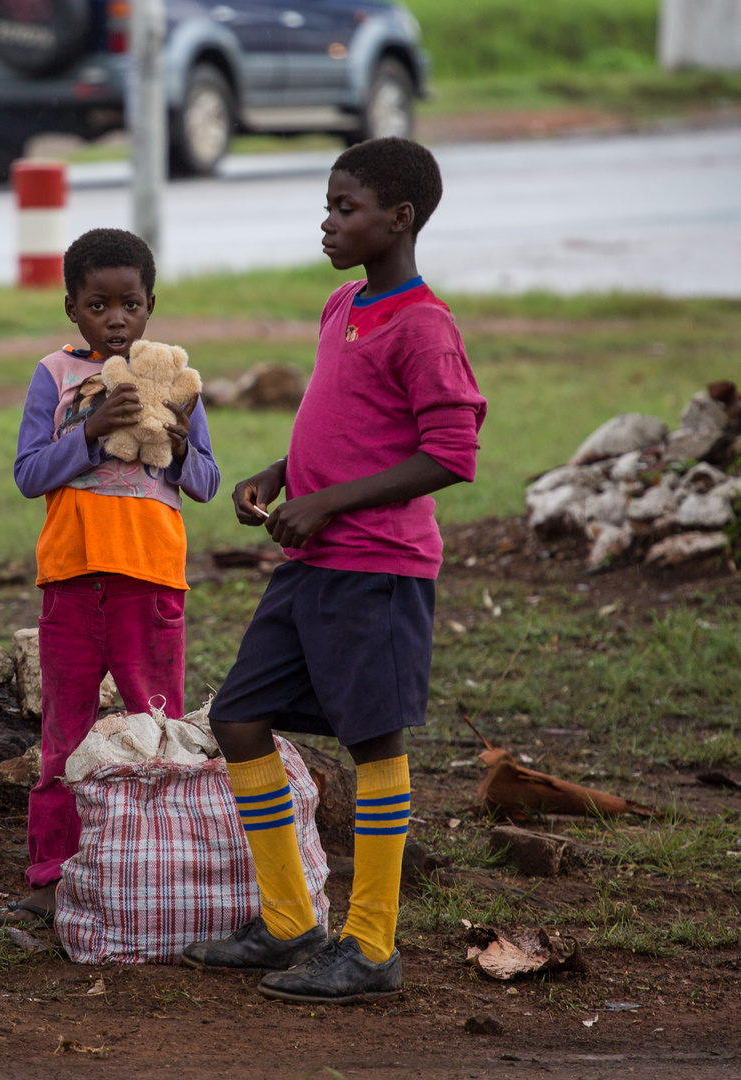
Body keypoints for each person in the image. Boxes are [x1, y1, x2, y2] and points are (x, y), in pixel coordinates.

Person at [184, 138, 485, 1003]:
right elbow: (342, 419)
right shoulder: (342, 305)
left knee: (373, 740)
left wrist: (333, 502)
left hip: (377, 568)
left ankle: (374, 945)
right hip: (313, 563)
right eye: (326, 204)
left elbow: (450, 454)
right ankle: (288, 923)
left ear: (399, 219)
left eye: (344, 208)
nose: (328, 221)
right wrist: (280, 476)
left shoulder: (426, 327)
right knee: (240, 716)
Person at [1, 228, 221, 929]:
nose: (116, 319)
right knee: (63, 740)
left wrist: (183, 447)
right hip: (70, 582)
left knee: (155, 735)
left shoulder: (181, 384)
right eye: (99, 305)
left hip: (151, 586)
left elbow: (209, 483)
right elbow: (30, 474)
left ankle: (156, 870)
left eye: (130, 304)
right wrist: (90, 431)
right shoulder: (55, 377)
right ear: (72, 307)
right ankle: (51, 876)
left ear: (150, 306)